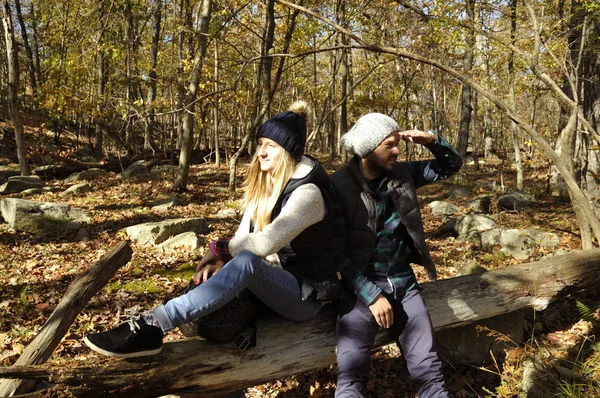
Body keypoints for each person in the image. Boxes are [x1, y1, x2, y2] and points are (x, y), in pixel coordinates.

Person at [84, 100, 342, 358]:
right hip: (269, 282)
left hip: (305, 295)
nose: (261, 152)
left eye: (271, 146)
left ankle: (153, 324)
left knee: (248, 263)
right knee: (219, 324)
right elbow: (244, 238)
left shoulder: (308, 193)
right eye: (260, 143)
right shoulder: (267, 184)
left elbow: (264, 245)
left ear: (288, 152)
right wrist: (221, 263)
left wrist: (219, 248)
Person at [330, 113, 463, 397]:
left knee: (430, 372)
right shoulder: (337, 187)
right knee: (351, 378)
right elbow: (331, 254)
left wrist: (432, 140)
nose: (397, 150)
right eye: (389, 145)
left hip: (404, 285)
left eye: (397, 143)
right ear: (367, 149)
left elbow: (452, 165)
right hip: (357, 291)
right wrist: (371, 295)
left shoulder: (402, 174)